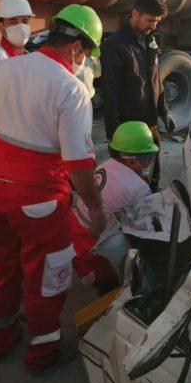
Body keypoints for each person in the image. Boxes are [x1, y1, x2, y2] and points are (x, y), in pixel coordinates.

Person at [0, 4, 106, 372]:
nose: (85, 63)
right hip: (39, 200)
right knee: (48, 276)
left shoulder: (2, 68)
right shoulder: (71, 90)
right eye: (87, 54)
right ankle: (41, 354)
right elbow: (80, 166)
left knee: (1, 266)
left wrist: (0, 174)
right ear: (77, 48)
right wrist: (95, 207)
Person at [100, 0, 175, 190]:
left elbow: (156, 80)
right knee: (127, 178)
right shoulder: (115, 45)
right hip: (129, 127)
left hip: (150, 122)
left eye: (157, 22)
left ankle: (152, 192)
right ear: (134, 14)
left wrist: (164, 112)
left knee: (152, 173)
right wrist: (114, 133)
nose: (153, 26)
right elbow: (110, 91)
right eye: (150, 20)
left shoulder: (149, 41)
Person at [71, 121, 158, 289]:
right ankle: (104, 277)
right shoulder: (138, 188)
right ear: (132, 161)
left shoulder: (106, 165)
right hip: (88, 255)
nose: (149, 162)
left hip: (73, 238)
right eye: (147, 158)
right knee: (131, 240)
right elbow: (147, 226)